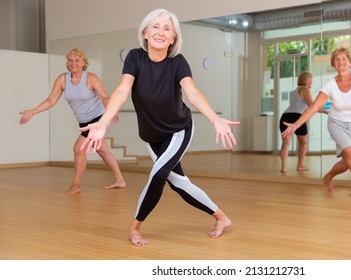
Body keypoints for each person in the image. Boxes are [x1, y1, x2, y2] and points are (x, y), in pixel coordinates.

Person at [80, 9, 240, 246]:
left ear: (173, 38)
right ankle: (221, 217)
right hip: (151, 136)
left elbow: (193, 93)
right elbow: (123, 89)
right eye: (155, 27)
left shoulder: (177, 62)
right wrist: (103, 122)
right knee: (178, 183)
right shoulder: (135, 58)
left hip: (179, 129)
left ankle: (134, 228)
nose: (161, 32)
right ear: (145, 33)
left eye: (167, 29)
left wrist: (214, 119)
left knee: (158, 175)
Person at [281, 47, 351, 197]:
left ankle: (328, 177)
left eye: (344, 59)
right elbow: (315, 106)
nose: (340, 61)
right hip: (337, 123)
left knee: (347, 162)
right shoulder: (330, 84)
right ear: (333, 65)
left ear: (349, 62)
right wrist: (296, 125)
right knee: (350, 152)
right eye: (337, 59)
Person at [19, 48, 126, 195]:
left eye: (77, 60)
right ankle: (120, 179)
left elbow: (105, 97)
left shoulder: (91, 78)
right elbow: (51, 100)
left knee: (78, 149)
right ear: (67, 63)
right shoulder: (63, 79)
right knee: (103, 151)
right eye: (70, 60)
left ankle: (76, 185)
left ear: (84, 63)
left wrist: (110, 111)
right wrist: (33, 111)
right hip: (83, 122)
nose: (73, 63)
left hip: (96, 119)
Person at [279, 72, 326, 173]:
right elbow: (312, 106)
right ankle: (300, 165)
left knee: (286, 143)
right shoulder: (305, 90)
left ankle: (283, 168)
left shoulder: (294, 91)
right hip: (297, 116)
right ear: (306, 80)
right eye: (310, 79)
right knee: (303, 142)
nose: (312, 81)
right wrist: (326, 111)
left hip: (286, 116)